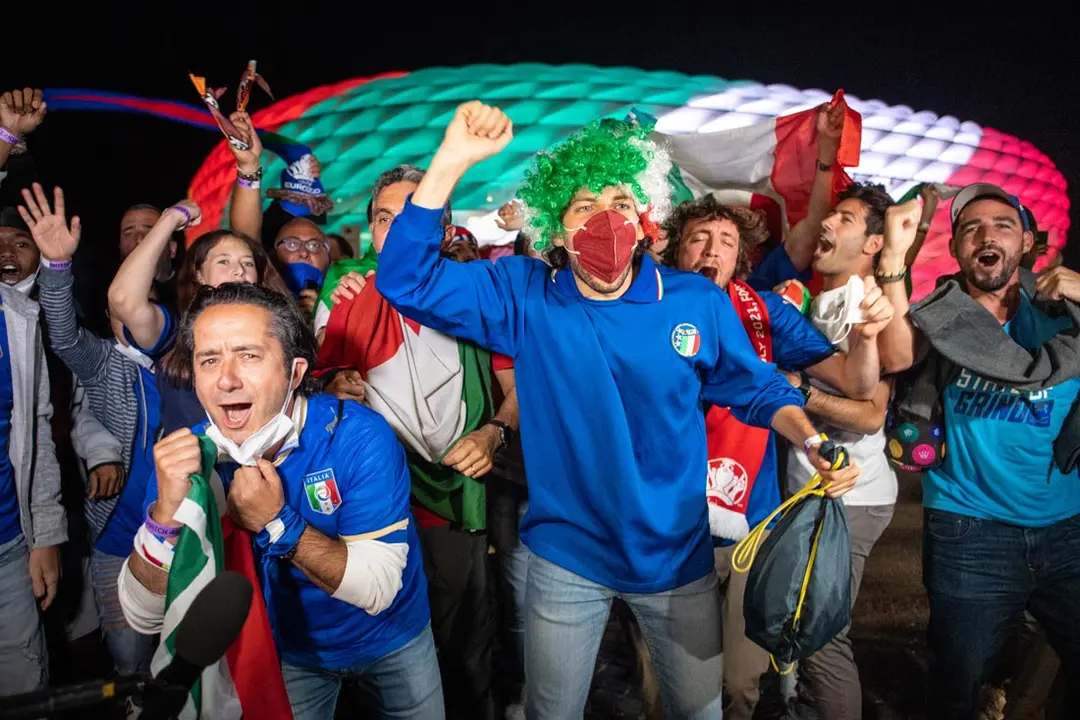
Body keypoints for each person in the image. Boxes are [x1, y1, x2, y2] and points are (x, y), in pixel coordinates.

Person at [375, 101, 862, 719]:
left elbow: (758, 388)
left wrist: (811, 439)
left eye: (621, 203)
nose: (605, 219)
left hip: (675, 559)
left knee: (698, 711)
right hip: (566, 559)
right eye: (584, 205)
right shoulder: (523, 293)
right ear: (555, 226)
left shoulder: (692, 300)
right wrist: (450, 163)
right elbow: (405, 281)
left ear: (646, 220)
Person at [118, 282, 442, 719]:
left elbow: (377, 588)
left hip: (392, 636)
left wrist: (276, 521)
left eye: (249, 355)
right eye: (209, 360)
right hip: (288, 650)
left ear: (294, 372)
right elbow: (144, 615)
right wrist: (165, 518)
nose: (227, 378)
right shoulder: (187, 461)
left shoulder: (357, 435)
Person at [662, 194, 892, 720]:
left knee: (740, 684)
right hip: (670, 527)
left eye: (725, 242)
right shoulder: (644, 309)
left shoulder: (764, 312)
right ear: (676, 251)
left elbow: (858, 383)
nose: (711, 251)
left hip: (751, 524)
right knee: (669, 685)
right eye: (698, 238)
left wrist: (866, 336)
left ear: (740, 258)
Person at [318, 163, 519, 719]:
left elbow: (515, 386)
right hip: (371, 511)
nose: (399, 230)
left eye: (414, 216)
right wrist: (331, 384)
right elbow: (311, 382)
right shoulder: (348, 293)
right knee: (380, 661)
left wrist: (493, 431)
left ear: (439, 226)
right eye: (385, 218)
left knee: (464, 656)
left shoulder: (477, 294)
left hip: (455, 500)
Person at [875, 182, 1080, 718]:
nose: (986, 235)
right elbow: (897, 355)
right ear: (959, 248)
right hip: (970, 533)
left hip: (1068, 530)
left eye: (1002, 226)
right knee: (955, 687)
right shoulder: (941, 315)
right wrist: (895, 257)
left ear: (1029, 243)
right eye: (970, 228)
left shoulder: (1065, 313)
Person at [20, 184, 161, 693]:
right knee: (129, 663)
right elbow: (62, 334)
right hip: (116, 535)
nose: (134, 316)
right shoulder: (103, 361)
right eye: (123, 309)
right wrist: (57, 268)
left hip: (189, 533)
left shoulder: (191, 354)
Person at [780, 183, 899, 720]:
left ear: (874, 244)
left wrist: (798, 390)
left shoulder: (865, 305)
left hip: (848, 498)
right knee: (800, 630)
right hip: (814, 493)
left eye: (845, 219)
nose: (828, 225)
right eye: (830, 216)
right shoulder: (816, 302)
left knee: (823, 637)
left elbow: (871, 411)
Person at [107, 198, 288, 435]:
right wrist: (170, 218)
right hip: (198, 468)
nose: (239, 270)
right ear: (199, 275)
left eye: (247, 263)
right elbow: (123, 299)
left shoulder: (278, 328)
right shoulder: (177, 329)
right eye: (224, 261)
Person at [0, 202, 65, 696]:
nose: (6, 253)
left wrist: (44, 535)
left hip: (7, 546)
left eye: (20, 243)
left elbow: (36, 430)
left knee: (25, 688)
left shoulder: (22, 319)